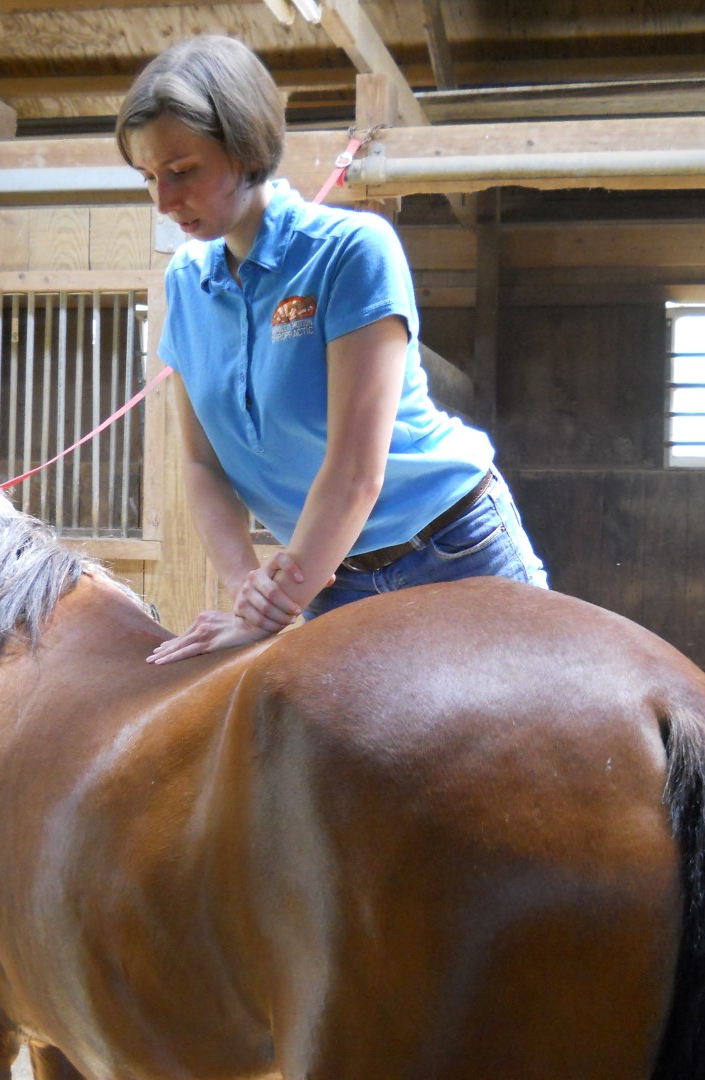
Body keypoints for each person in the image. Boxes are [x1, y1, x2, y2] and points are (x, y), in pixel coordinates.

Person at [115, 35, 547, 665]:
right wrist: (248, 593)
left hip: (451, 547)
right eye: (149, 177)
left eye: (182, 172)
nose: (163, 200)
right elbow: (204, 466)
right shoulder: (186, 282)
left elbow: (354, 471)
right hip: (328, 575)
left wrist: (276, 602)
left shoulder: (351, 250)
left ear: (245, 147)